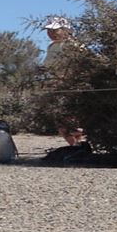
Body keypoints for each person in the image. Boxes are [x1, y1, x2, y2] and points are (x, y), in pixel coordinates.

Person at [41, 17, 85, 145]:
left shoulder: (74, 45)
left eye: (55, 30)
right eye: (49, 30)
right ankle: (75, 146)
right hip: (57, 86)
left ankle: (79, 144)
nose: (51, 33)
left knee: (73, 119)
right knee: (61, 120)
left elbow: (82, 63)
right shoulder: (51, 47)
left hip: (73, 86)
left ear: (65, 30)